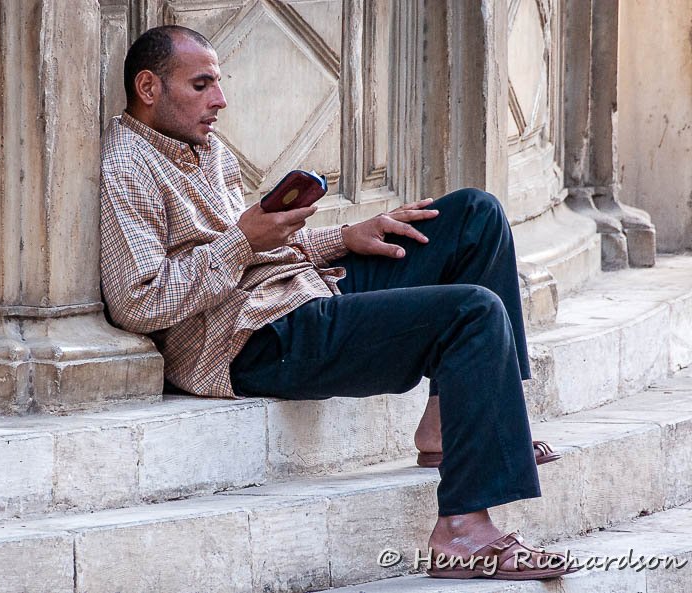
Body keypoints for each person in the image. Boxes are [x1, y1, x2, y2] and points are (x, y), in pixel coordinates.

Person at [99, 25, 575, 580]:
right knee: (473, 313)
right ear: (149, 87)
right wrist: (241, 241)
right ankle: (463, 532)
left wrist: (346, 235)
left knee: (475, 215)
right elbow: (139, 301)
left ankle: (448, 430)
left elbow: (258, 247)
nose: (220, 100)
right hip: (250, 342)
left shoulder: (207, 149)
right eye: (201, 85)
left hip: (298, 291)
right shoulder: (126, 167)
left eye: (218, 84)